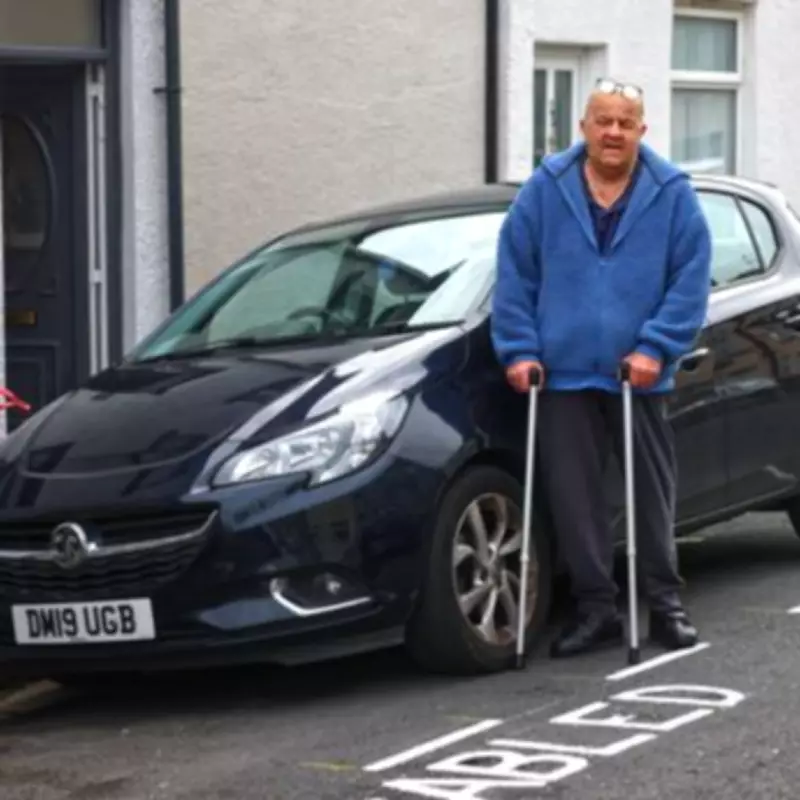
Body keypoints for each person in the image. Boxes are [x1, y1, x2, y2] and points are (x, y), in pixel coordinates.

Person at [491, 79, 712, 658]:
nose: (613, 132)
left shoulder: (671, 192)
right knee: (573, 496)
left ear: (642, 130)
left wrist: (656, 347)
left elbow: (691, 279)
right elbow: (515, 273)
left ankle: (664, 602)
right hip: (562, 371)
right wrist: (519, 349)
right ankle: (596, 609)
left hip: (638, 372)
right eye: (603, 120)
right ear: (584, 126)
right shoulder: (545, 189)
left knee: (651, 492)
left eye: (625, 122)